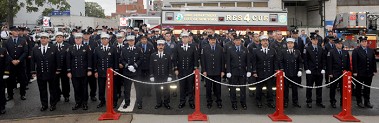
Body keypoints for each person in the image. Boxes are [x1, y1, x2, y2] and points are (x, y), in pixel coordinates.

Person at [30, 32, 60, 111]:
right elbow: (32, 61)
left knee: (53, 90)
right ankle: (44, 105)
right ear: (40, 39)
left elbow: (58, 59)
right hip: (41, 72)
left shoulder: (54, 47)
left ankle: (53, 104)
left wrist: (58, 69)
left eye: (45, 38)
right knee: (42, 90)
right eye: (42, 38)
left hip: (52, 72)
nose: (43, 39)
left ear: (48, 39)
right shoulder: (35, 49)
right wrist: (33, 71)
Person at [66, 33, 93, 110]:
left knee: (84, 88)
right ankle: (78, 102)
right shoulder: (70, 48)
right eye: (76, 38)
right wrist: (69, 71)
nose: (78, 40)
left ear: (82, 39)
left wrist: (89, 69)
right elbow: (68, 61)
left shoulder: (86, 47)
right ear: (74, 40)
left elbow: (89, 59)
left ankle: (85, 103)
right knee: (76, 88)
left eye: (79, 38)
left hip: (84, 72)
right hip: (74, 72)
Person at [251, 35, 278, 108]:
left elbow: (275, 61)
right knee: (259, 88)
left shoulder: (272, 50)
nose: (265, 42)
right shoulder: (256, 51)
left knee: (270, 89)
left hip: (270, 73)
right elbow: (254, 62)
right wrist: (254, 72)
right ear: (261, 42)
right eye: (263, 41)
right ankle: (258, 101)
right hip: (260, 73)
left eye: (266, 40)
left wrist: (275, 71)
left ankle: (270, 101)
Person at [174, 32, 199, 109]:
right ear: (181, 38)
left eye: (186, 37)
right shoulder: (177, 47)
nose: (184, 39)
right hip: (181, 71)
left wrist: (195, 69)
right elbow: (175, 59)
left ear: (189, 38)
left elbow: (195, 59)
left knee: (190, 87)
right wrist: (176, 68)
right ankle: (182, 101)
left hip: (190, 71)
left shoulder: (193, 47)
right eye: (183, 37)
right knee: (182, 88)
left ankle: (191, 102)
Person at [3, 26, 28, 101]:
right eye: (15, 31)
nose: (17, 32)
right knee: (10, 80)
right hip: (11, 64)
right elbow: (5, 53)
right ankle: (10, 95)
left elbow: (25, 52)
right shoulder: (6, 41)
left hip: (20, 64)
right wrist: (12, 60)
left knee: (22, 79)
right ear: (11, 32)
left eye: (18, 31)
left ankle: (22, 94)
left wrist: (19, 60)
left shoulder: (23, 41)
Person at [93, 33, 117, 108]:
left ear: (109, 40)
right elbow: (95, 61)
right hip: (101, 71)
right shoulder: (97, 49)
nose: (104, 40)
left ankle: (114, 101)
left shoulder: (113, 48)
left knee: (113, 87)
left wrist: (116, 70)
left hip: (111, 71)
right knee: (101, 87)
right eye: (102, 39)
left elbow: (115, 60)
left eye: (105, 39)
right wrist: (96, 71)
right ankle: (102, 101)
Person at [225, 35, 249, 110]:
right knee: (232, 88)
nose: (238, 42)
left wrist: (248, 70)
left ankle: (243, 102)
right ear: (234, 41)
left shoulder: (245, 49)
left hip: (242, 71)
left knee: (243, 89)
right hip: (233, 71)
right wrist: (228, 71)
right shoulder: (230, 49)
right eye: (236, 40)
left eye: (239, 40)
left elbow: (248, 61)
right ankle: (234, 103)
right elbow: (228, 61)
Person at [352, 36, 377, 108]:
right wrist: (355, 72)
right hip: (360, 73)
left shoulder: (371, 50)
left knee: (367, 88)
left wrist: (374, 70)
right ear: (360, 42)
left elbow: (373, 61)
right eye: (362, 41)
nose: (364, 43)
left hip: (369, 73)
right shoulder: (356, 51)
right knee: (359, 88)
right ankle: (359, 101)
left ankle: (367, 102)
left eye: (365, 41)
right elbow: (355, 62)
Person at [201, 35, 224, 109]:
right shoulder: (204, 49)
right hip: (208, 72)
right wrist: (204, 70)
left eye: (214, 40)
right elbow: (203, 61)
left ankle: (219, 101)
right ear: (208, 40)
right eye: (211, 40)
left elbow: (222, 61)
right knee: (208, 88)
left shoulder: (220, 48)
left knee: (218, 88)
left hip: (217, 71)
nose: (213, 41)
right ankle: (209, 101)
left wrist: (223, 71)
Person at [120, 35, 143, 109]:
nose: (131, 42)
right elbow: (122, 59)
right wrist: (127, 66)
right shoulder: (124, 49)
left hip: (136, 72)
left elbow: (141, 58)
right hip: (127, 72)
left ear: (134, 41)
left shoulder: (139, 49)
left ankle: (139, 103)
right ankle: (127, 102)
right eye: (129, 40)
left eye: (132, 40)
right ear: (127, 41)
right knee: (127, 89)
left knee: (138, 89)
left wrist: (135, 66)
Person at [304, 33, 326, 108]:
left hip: (319, 71)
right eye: (314, 40)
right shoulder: (307, 49)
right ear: (311, 40)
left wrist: (323, 68)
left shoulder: (321, 49)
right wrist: (306, 69)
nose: (315, 41)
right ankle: (309, 101)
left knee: (319, 87)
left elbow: (323, 59)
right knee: (309, 87)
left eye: (316, 40)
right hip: (311, 71)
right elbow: (305, 60)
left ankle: (319, 101)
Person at [327, 38, 350, 108]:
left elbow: (347, 63)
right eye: (339, 43)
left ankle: (342, 101)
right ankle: (332, 101)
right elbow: (329, 64)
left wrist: (348, 72)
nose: (340, 45)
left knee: (343, 89)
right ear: (335, 44)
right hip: (334, 73)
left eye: (341, 43)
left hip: (343, 73)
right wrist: (330, 73)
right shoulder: (331, 52)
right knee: (333, 88)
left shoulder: (345, 52)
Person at [279, 38, 302, 108]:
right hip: (286, 73)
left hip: (295, 73)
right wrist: (282, 71)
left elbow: (300, 62)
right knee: (285, 89)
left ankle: (295, 101)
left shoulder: (297, 52)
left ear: (293, 44)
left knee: (295, 89)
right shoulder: (283, 52)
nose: (290, 45)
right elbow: (281, 61)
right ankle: (285, 101)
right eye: (288, 43)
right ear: (286, 44)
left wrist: (300, 70)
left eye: (291, 43)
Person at [149, 40, 172, 109]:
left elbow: (170, 66)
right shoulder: (153, 55)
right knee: (157, 90)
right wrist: (151, 75)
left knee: (166, 90)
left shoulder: (167, 55)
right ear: (157, 46)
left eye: (162, 45)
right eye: (159, 45)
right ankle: (159, 103)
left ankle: (166, 103)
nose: (160, 47)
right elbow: (151, 66)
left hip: (165, 76)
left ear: (164, 46)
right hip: (157, 76)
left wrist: (170, 75)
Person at [54, 32, 71, 102]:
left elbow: (70, 57)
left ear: (63, 38)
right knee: (55, 83)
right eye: (57, 37)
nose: (59, 38)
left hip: (65, 67)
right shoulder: (52, 46)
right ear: (55, 38)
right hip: (55, 68)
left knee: (65, 83)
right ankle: (57, 95)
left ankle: (66, 95)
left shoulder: (68, 46)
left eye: (60, 37)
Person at [83, 31, 99, 102]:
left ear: (89, 35)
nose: (86, 36)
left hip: (92, 65)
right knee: (84, 82)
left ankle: (93, 95)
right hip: (83, 66)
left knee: (93, 82)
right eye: (84, 34)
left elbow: (97, 54)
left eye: (87, 34)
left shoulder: (94, 43)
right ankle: (84, 96)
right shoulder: (80, 42)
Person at [0, 46, 9, 114]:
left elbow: (7, 63)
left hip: (1, 74)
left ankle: (2, 106)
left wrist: (6, 73)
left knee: (1, 91)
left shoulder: (3, 50)